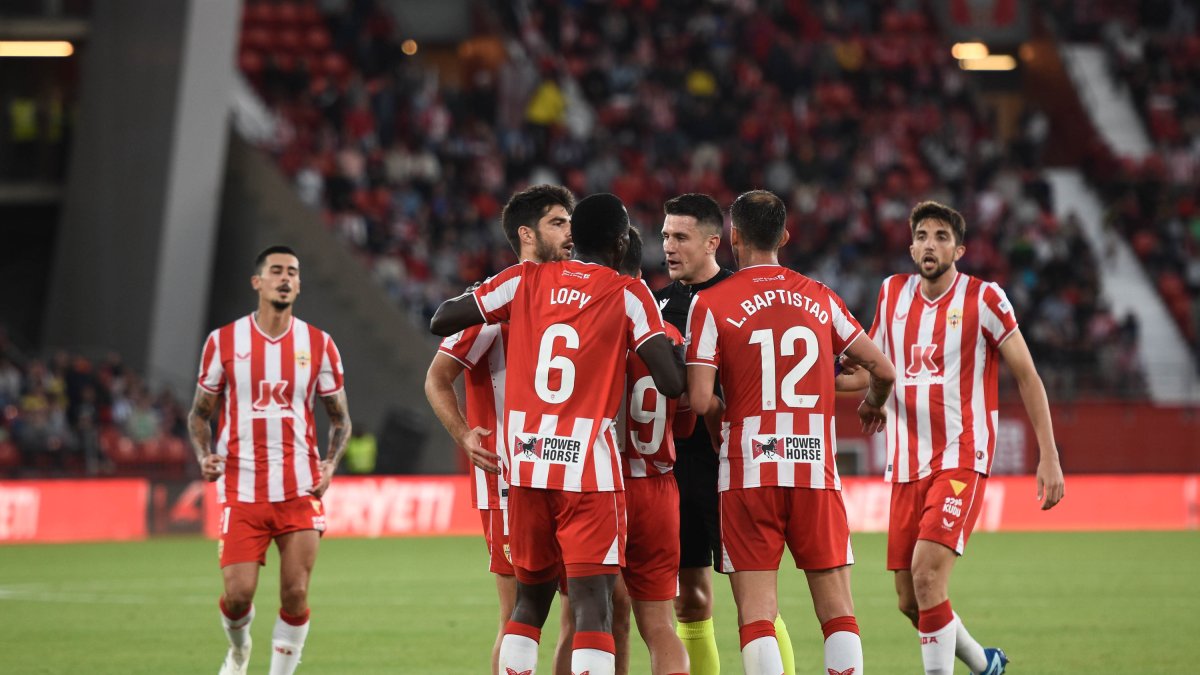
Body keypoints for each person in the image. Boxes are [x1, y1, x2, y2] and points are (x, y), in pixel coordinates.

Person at [431, 193, 684, 675]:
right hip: (588, 469)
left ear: (573, 238)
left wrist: (497, 303)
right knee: (594, 607)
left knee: (526, 608)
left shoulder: (523, 279)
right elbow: (671, 384)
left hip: (525, 465)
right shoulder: (625, 292)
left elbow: (441, 318)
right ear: (618, 242)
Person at [850, 201, 1066, 675]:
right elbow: (873, 369)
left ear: (960, 249)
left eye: (942, 237)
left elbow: (1027, 376)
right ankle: (983, 662)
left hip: (961, 456)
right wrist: (810, 382)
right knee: (911, 600)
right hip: (907, 463)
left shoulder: (985, 299)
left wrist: (1048, 455)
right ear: (910, 247)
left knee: (928, 576)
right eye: (922, 235)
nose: (930, 244)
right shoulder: (890, 295)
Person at [684, 190, 896, 675]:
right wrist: (870, 403)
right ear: (784, 235)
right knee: (838, 610)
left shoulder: (711, 303)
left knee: (756, 615)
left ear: (733, 236)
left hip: (747, 472)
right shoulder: (819, 296)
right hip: (813, 469)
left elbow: (698, 401)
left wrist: (730, 404)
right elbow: (881, 369)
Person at [423, 184, 594, 675]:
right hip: (507, 481)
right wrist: (463, 434)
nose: (570, 232)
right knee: (518, 615)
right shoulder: (497, 301)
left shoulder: (580, 295)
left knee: (576, 616)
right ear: (526, 233)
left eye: (570, 222)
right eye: (558, 222)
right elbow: (437, 378)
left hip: (571, 474)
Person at [655, 193, 801, 674]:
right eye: (664, 237)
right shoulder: (656, 308)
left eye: (681, 237)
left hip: (735, 465)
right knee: (690, 601)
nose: (669, 247)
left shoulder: (747, 296)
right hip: (679, 467)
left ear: (714, 241)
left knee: (755, 604)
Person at [189, 245, 352, 675]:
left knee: (295, 593)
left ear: (298, 284)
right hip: (242, 488)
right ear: (257, 282)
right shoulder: (223, 341)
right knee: (238, 594)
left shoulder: (319, 344)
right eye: (276, 271)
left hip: (300, 488)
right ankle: (239, 652)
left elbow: (340, 420)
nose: (285, 278)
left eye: (293, 272)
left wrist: (330, 464)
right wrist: (205, 455)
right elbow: (199, 413)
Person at [614, 226, 690, 675]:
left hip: (606, 487)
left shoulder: (601, 327)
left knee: (595, 618)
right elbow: (684, 421)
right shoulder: (670, 337)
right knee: (660, 625)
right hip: (660, 487)